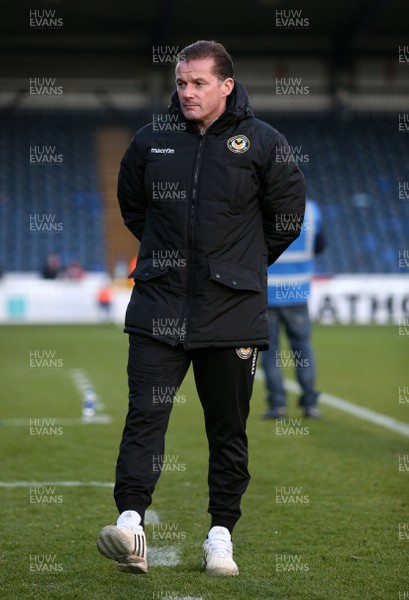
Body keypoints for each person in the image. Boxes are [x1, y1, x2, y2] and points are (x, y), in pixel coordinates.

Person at [97, 40, 305, 576]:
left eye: (198, 83)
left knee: (227, 430)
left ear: (226, 85)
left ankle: (220, 537)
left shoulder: (264, 143)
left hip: (231, 311)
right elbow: (132, 207)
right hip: (159, 306)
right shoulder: (150, 141)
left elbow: (286, 218)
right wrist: (172, 260)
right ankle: (130, 524)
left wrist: (238, 265)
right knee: (145, 417)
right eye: (181, 83)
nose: (186, 92)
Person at [261, 198, 325, 419]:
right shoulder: (312, 210)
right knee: (303, 350)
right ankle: (310, 405)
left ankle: (277, 406)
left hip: (267, 295)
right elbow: (320, 245)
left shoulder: (262, 205)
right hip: (297, 293)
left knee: (270, 355)